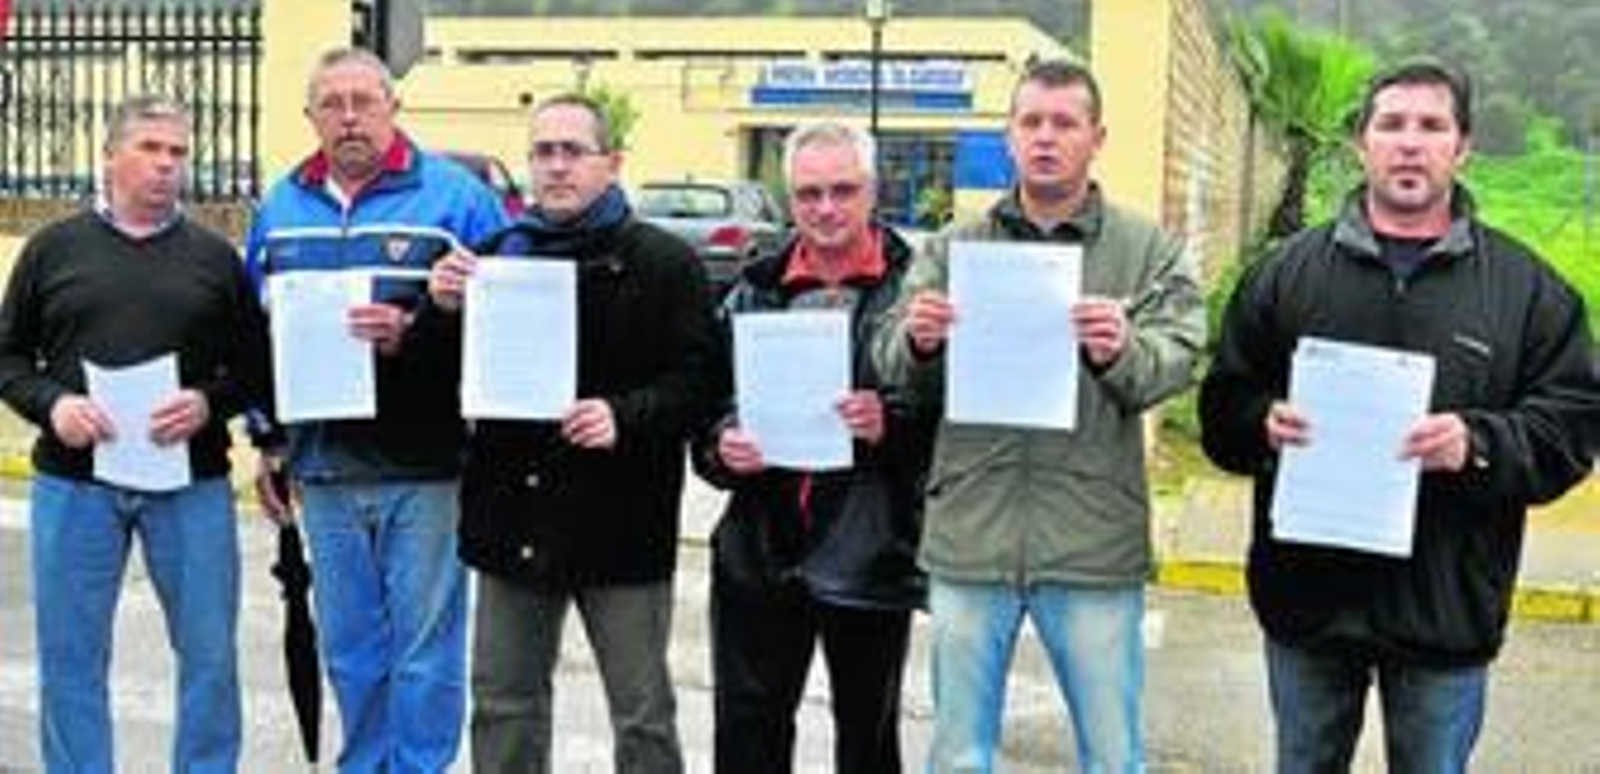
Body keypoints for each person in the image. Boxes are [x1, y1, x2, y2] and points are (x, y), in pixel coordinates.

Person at [1199, 60, 1599, 772]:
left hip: (1444, 614)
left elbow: (1571, 427)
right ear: (1362, 143)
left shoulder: (1529, 291)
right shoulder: (1285, 274)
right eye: (1391, 124)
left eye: (1431, 125)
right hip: (1308, 610)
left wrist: (1479, 444)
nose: (1409, 143)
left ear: (1462, 146)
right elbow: (1223, 404)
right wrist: (1261, 422)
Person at [872, 60, 1205, 772]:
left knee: (1113, 755)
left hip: (1091, 538)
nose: (1047, 137)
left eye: (1065, 122)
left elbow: (1179, 359)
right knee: (959, 754)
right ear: (1009, 135)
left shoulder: (1146, 251)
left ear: (1097, 137)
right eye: (1031, 122)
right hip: (971, 533)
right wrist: (919, 342)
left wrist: (1123, 350)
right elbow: (891, 362)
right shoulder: (953, 248)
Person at [426, 93, 718, 773]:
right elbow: (441, 387)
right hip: (512, 517)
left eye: (572, 151)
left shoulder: (665, 263)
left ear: (611, 164)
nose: (555, 167)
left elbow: (700, 380)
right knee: (503, 702)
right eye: (542, 151)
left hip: (621, 520)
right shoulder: (491, 260)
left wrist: (625, 415)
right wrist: (441, 311)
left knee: (642, 712)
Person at [244, 47, 508, 771]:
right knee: (352, 649)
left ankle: (420, 768)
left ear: (393, 107)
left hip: (427, 468)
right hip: (323, 469)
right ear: (311, 116)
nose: (350, 116)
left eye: (365, 100)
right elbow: (254, 334)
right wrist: (266, 440)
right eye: (332, 103)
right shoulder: (279, 207)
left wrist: (419, 325)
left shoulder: (458, 199)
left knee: (425, 652)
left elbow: (510, 322)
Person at [0, 94, 266, 772]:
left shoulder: (215, 258)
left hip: (191, 484)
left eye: (178, 152)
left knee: (209, 656)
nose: (166, 165)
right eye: (150, 148)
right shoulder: (51, 250)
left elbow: (256, 368)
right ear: (111, 155)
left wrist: (209, 403)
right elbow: (8, 358)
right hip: (75, 483)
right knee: (70, 657)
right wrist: (53, 405)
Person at [691, 121, 935, 774]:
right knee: (748, 736)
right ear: (789, 197)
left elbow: (951, 423)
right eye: (808, 194)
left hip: (871, 547)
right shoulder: (751, 291)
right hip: (759, 549)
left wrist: (892, 425)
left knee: (867, 738)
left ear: (873, 192)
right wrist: (722, 446)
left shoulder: (917, 290)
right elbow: (705, 415)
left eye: (843, 191)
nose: (825, 209)